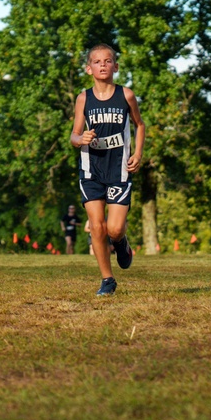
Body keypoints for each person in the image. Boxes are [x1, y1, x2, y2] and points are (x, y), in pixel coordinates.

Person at [70, 44, 145, 296]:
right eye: (97, 61)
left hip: (119, 170)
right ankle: (107, 279)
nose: (103, 64)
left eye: (108, 60)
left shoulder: (126, 95)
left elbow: (139, 124)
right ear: (88, 68)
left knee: (113, 229)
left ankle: (121, 242)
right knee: (97, 226)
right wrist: (80, 139)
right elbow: (74, 134)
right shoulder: (84, 98)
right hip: (91, 170)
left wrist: (138, 153)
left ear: (116, 66)